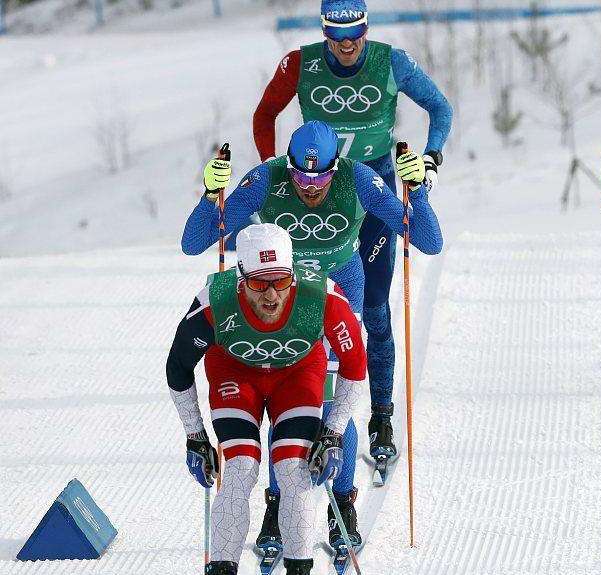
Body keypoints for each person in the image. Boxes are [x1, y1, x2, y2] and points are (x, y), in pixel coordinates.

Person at [181, 120, 442, 555]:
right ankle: (276, 503)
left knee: (331, 400)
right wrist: (211, 197)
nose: (310, 188)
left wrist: (418, 190)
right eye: (301, 178)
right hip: (280, 298)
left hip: (339, 292)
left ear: (335, 167)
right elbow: (195, 244)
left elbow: (429, 241)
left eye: (320, 178)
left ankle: (343, 503)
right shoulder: (267, 178)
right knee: (281, 399)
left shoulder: (358, 178)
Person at [253, 0, 451, 464]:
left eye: (355, 37)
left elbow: (439, 108)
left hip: (373, 189)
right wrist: (268, 166)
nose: (346, 47)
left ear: (366, 30)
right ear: (324, 35)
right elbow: (265, 114)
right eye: (336, 39)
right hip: (317, 192)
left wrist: (431, 158)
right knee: (311, 314)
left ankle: (380, 415)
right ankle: (313, 413)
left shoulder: (391, 62)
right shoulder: (299, 63)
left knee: (375, 308)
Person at [165, 224, 366, 575]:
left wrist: (333, 433)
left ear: (293, 275)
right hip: (235, 372)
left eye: (281, 281)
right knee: (241, 469)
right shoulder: (215, 302)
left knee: (294, 471)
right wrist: (195, 437)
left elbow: (355, 364)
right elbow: (177, 368)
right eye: (260, 284)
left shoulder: (322, 295)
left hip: (296, 372)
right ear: (241, 278)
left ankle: (299, 568)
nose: (271, 296)